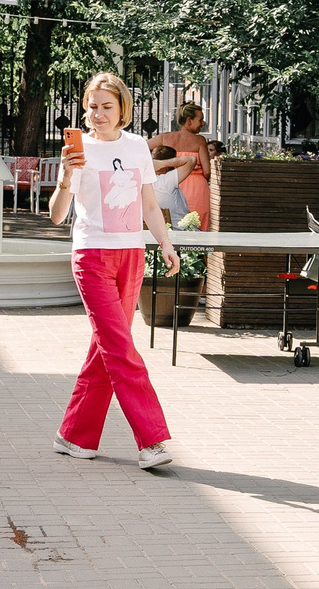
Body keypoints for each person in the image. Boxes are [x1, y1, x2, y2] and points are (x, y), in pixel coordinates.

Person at [49, 72, 182, 471]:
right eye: (92, 106)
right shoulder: (79, 150)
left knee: (106, 349)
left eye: (107, 106)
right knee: (122, 350)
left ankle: (74, 436)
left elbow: (148, 204)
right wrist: (65, 176)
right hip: (92, 256)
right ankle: (152, 440)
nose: (99, 114)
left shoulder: (138, 145)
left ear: (123, 108)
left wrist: (165, 242)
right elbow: (57, 216)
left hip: (131, 256)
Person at [156, 101, 214, 226]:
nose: (203, 123)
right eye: (200, 120)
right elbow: (207, 171)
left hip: (171, 182)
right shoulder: (199, 141)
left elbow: (141, 146)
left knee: (172, 223)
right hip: (197, 188)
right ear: (189, 121)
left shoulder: (165, 138)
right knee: (197, 225)